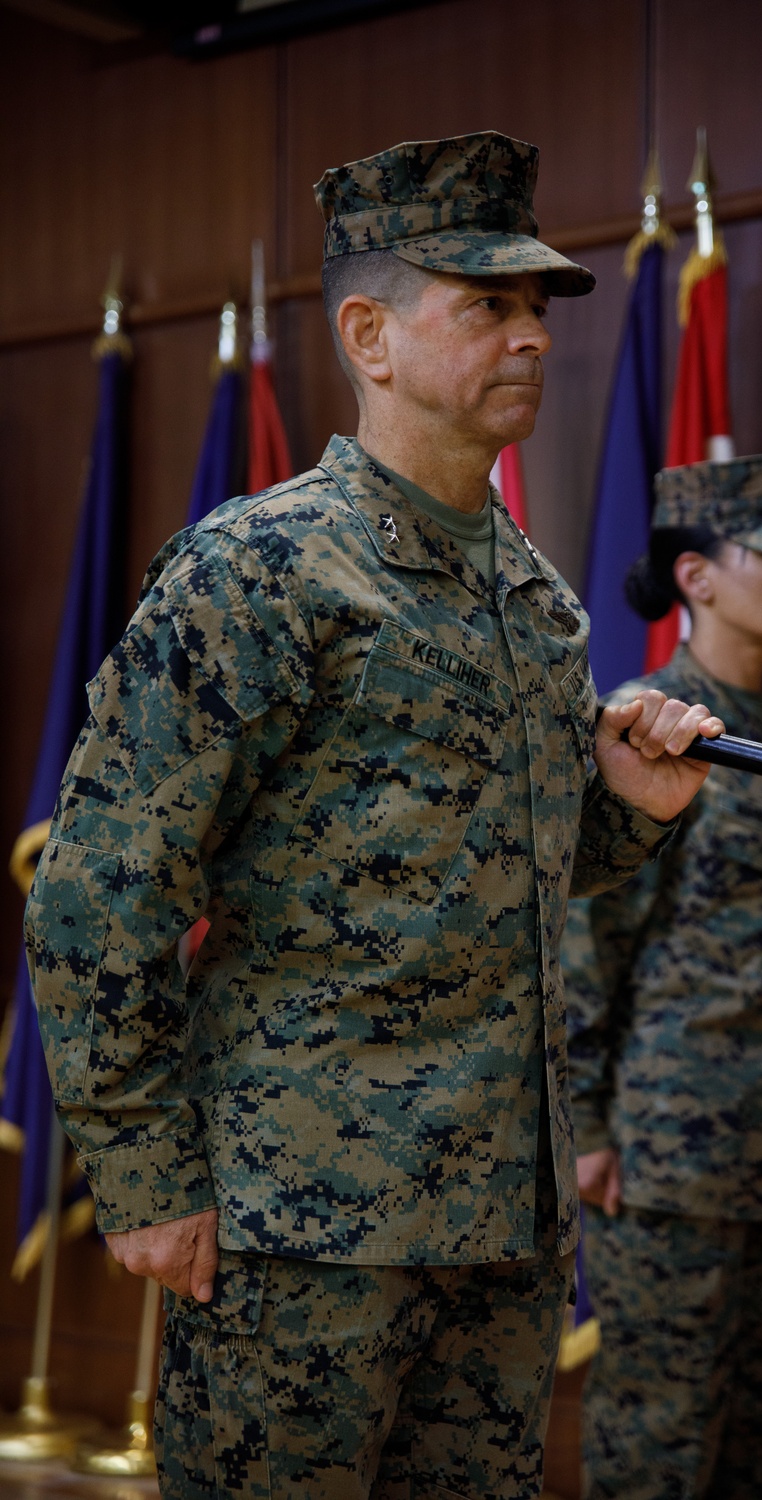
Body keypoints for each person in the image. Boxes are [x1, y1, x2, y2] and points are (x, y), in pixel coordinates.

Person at [24, 131, 723, 1500]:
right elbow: (100, 889)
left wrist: (626, 812)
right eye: (487, 305)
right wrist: (148, 1172)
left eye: (536, 309)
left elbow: (495, 868)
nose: (530, 336)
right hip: (305, 1234)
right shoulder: (262, 570)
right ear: (371, 335)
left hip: (500, 1232)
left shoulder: (532, 597)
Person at [564, 453, 762, 1500]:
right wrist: (590, 1128)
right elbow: (588, 939)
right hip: (672, 1156)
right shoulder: (652, 730)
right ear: (695, 578)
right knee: (660, 1441)